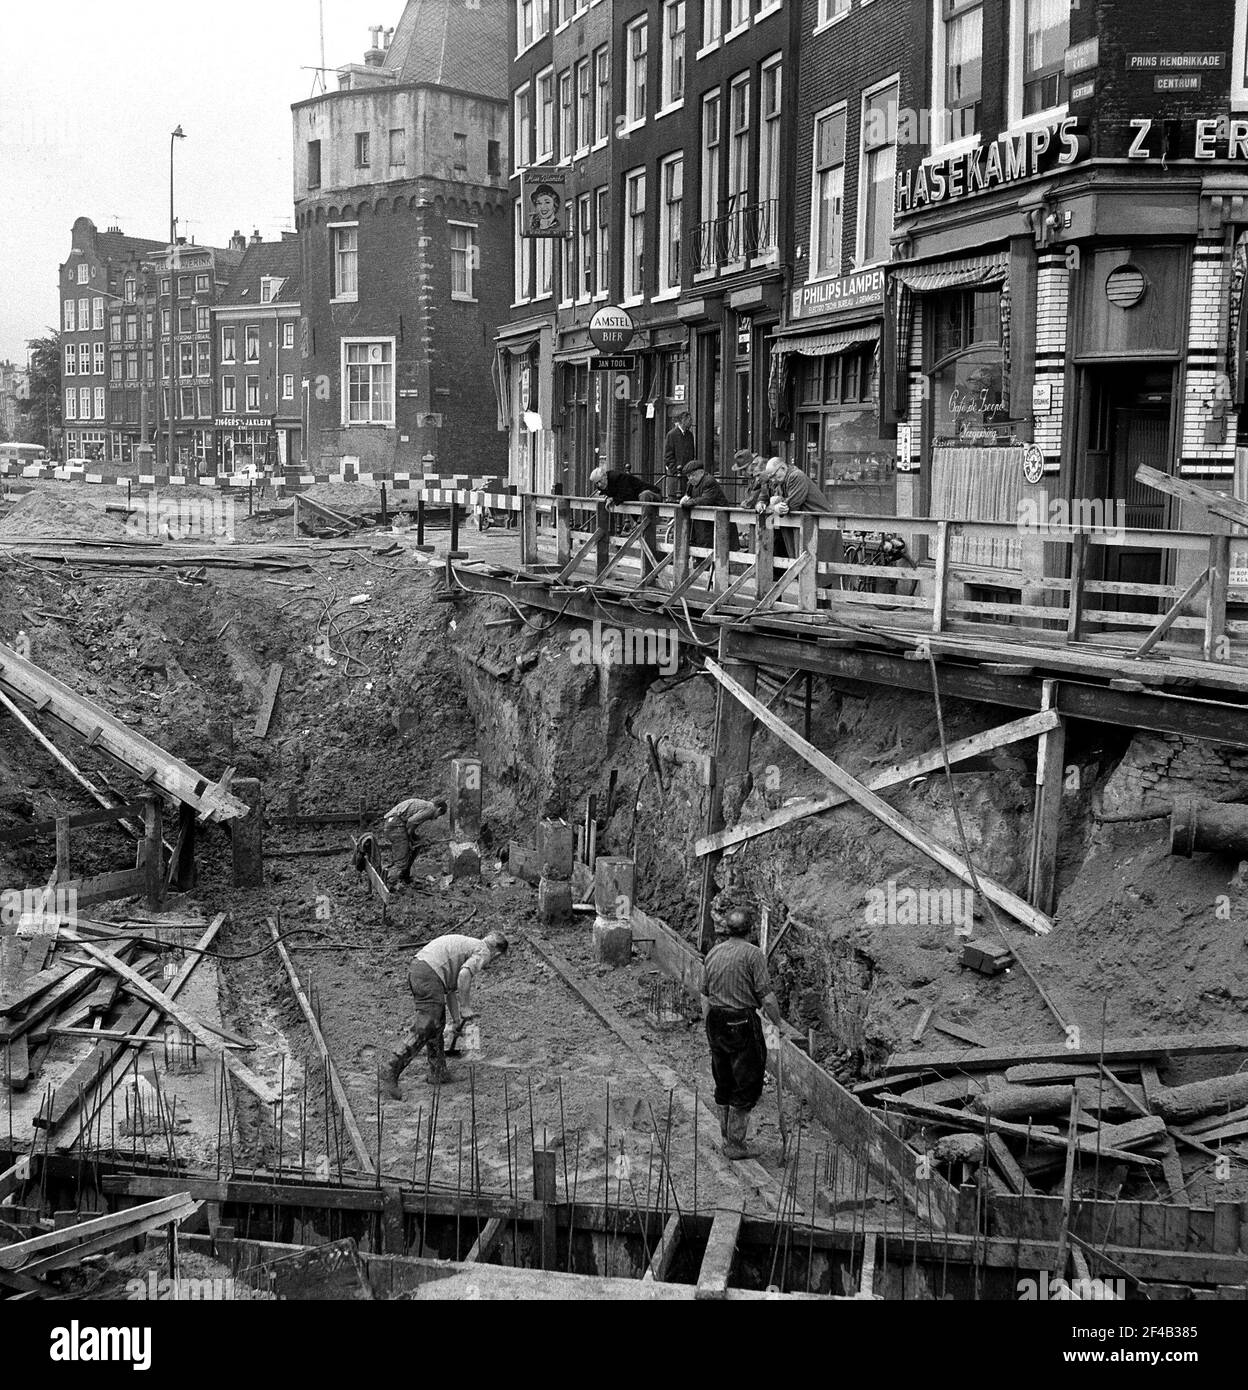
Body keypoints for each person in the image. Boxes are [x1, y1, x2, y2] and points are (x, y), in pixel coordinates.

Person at [381, 932, 509, 1096]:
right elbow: (464, 975)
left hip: (421, 969)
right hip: (428, 974)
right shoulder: (483, 951)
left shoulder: (468, 945)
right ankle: (391, 1068)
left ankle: (438, 1072)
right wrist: (465, 1007)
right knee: (427, 1024)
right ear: (497, 953)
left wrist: (456, 1021)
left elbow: (450, 991)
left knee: (436, 1024)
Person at [700, 907, 782, 1159]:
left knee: (723, 1077)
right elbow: (767, 998)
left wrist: (711, 1024)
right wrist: (776, 1026)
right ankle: (735, 1144)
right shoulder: (754, 955)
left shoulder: (714, 952)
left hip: (715, 1018)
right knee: (746, 1080)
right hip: (741, 1022)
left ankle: (726, 1137)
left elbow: (704, 994)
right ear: (751, 930)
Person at [381, 795, 447, 884]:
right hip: (395, 825)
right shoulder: (430, 809)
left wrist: (413, 838)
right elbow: (411, 821)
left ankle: (404, 876)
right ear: (439, 809)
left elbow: (411, 824)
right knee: (402, 858)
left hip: (394, 822)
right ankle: (389, 882)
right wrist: (410, 838)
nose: (436, 818)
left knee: (416, 846)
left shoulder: (426, 805)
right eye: (438, 815)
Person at [678, 458, 729, 550]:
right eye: (688, 476)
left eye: (693, 475)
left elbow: (706, 500)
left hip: (717, 522)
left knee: (713, 548)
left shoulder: (709, 481)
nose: (690, 478)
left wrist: (688, 502)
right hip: (702, 523)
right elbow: (688, 496)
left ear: (701, 472)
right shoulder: (691, 483)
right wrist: (685, 499)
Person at [662, 412, 697, 499]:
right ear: (683, 421)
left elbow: (692, 454)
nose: (691, 422)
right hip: (675, 477)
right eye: (689, 420)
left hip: (687, 476)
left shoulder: (690, 435)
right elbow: (668, 456)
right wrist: (676, 472)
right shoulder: (672, 435)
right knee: (673, 499)